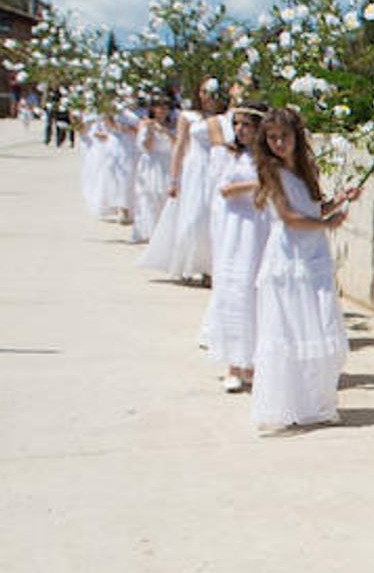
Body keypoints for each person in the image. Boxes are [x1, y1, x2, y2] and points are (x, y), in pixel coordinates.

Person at [249, 107, 359, 432]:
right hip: (289, 259)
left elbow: (312, 207)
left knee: (316, 324)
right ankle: (288, 402)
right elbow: (289, 216)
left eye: (284, 136)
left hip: (312, 255)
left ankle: (312, 402)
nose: (279, 143)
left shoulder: (305, 169)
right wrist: (325, 224)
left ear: (297, 137)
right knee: (290, 328)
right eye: (272, 138)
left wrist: (338, 201)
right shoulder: (271, 171)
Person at [203, 106, 269, 393]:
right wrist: (256, 185)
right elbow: (224, 189)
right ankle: (233, 363)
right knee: (233, 291)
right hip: (235, 231)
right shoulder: (231, 156)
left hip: (260, 229)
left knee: (256, 293)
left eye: (246, 125)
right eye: (237, 124)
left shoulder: (270, 160)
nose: (240, 130)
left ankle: (253, 362)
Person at [140, 81, 222, 283]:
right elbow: (179, 145)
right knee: (193, 216)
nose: (207, 96)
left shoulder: (223, 118)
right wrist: (174, 179)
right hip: (194, 169)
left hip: (215, 169)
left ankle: (209, 269)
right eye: (203, 91)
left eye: (211, 92)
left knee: (211, 216)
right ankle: (188, 263)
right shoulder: (188, 117)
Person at [130, 99, 177, 244]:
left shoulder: (174, 125)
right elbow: (147, 147)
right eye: (159, 108)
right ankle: (151, 231)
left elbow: (178, 143)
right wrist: (150, 130)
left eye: (165, 108)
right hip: (152, 163)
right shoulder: (146, 125)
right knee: (150, 196)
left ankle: (166, 232)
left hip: (168, 162)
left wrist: (165, 131)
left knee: (165, 198)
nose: (162, 111)